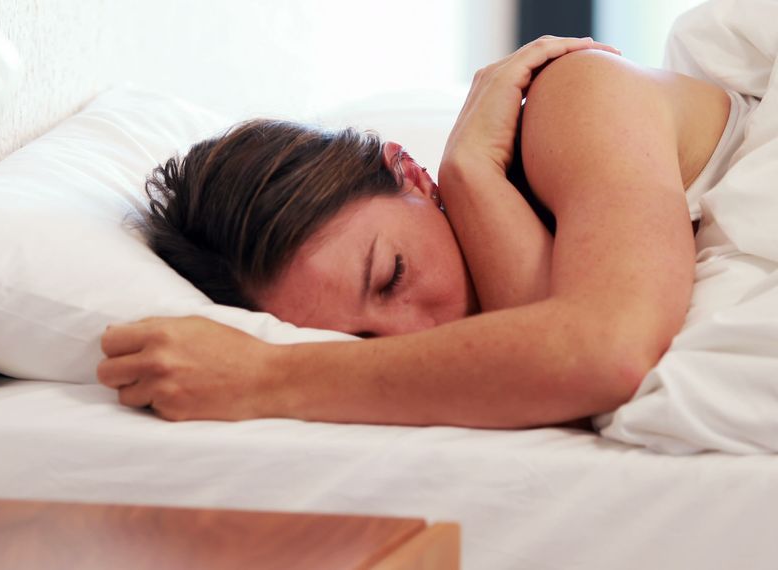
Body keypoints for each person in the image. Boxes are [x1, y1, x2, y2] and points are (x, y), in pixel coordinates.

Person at [96, 36, 735, 429]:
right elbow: (565, 382)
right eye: (360, 341)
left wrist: (264, 375)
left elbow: (605, 354)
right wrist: (475, 182)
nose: (417, 336)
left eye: (391, 276)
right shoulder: (500, 229)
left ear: (410, 174)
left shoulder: (573, 96)